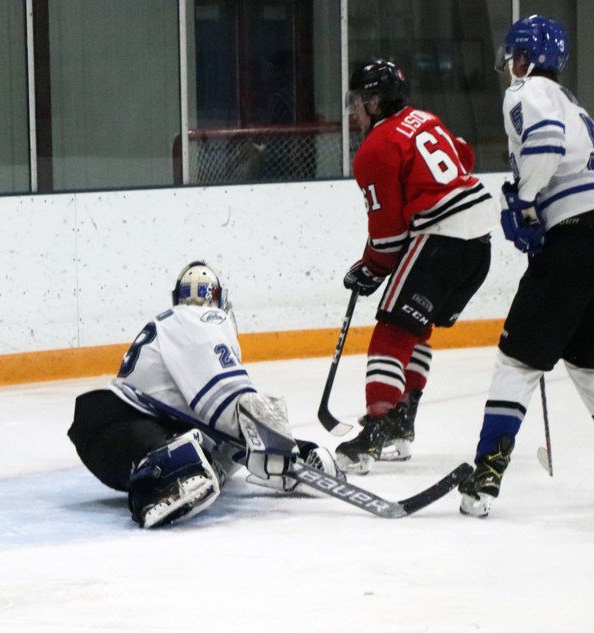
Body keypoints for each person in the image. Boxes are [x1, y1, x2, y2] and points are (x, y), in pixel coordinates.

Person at [67, 261, 343, 529]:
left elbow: (221, 425)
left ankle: (297, 455)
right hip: (118, 425)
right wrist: (271, 438)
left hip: (114, 438)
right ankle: (160, 483)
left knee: (205, 450)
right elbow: (228, 396)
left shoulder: (176, 321)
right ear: (219, 299)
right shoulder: (201, 320)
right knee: (190, 459)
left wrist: (295, 450)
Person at [459, 15, 594, 517]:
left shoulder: (528, 92)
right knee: (586, 365)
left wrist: (525, 201)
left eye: (514, 55)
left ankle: (485, 477)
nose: (509, 65)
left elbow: (545, 144)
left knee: (517, 361)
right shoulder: (574, 104)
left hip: (573, 241)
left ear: (527, 59)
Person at [337, 60, 498, 475]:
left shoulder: (375, 149)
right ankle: (402, 423)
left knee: (392, 329)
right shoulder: (425, 118)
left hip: (442, 238)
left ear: (374, 102)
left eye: (357, 102)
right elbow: (463, 152)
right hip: (479, 244)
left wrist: (371, 269)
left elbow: (389, 235)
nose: (353, 110)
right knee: (417, 326)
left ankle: (375, 431)